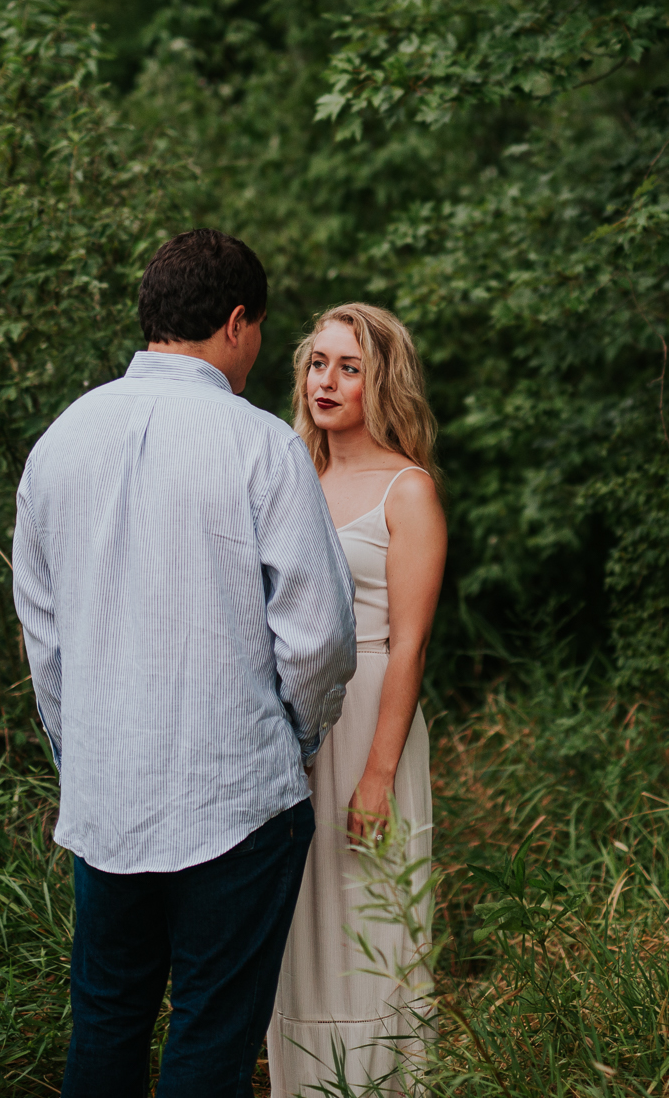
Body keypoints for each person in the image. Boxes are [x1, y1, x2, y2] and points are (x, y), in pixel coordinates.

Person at [13, 229, 358, 1097]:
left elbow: (42, 641)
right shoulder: (261, 444)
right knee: (211, 1029)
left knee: (107, 1018)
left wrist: (78, 755)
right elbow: (318, 638)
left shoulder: (58, 442)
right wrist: (295, 740)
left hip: (107, 801)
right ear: (237, 324)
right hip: (236, 798)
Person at [266, 304, 447, 1097]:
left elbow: (407, 645)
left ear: (380, 383)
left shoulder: (408, 491)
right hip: (290, 731)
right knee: (295, 924)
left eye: (348, 368)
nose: (326, 382)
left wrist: (377, 775)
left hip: (371, 721)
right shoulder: (289, 475)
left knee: (367, 919)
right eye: (317, 364)